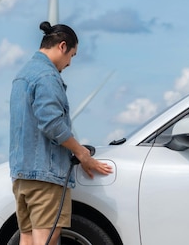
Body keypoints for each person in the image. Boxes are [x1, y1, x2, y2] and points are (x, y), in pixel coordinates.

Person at [9, 21, 113, 245]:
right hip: (45, 175)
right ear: (62, 46)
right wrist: (82, 153)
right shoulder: (47, 77)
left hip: (21, 174)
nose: (69, 63)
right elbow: (52, 123)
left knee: (27, 238)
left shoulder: (22, 75)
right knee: (46, 238)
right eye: (72, 56)